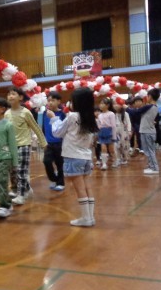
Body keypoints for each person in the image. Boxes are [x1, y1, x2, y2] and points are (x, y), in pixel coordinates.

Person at [51, 88, 98, 226]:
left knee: (80, 189)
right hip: (86, 156)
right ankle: (90, 217)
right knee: (87, 187)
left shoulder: (72, 116)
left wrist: (53, 118)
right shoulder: (90, 117)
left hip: (73, 155)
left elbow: (57, 133)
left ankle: (86, 218)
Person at [5, 88, 47, 205]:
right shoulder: (7, 114)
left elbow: (36, 127)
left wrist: (43, 143)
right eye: (9, 94)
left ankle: (21, 195)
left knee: (21, 171)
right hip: (11, 146)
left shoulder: (26, 112)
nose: (10, 96)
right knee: (13, 171)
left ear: (20, 97)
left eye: (13, 94)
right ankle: (26, 188)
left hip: (24, 144)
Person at [132, 88, 161, 175]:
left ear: (150, 97)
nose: (146, 98)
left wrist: (126, 108)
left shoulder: (149, 106)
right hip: (147, 130)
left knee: (149, 150)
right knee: (148, 150)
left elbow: (136, 112)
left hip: (147, 131)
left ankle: (155, 168)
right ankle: (151, 166)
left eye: (147, 96)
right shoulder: (155, 107)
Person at [42, 92, 66, 191]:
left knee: (60, 163)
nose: (50, 102)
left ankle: (60, 182)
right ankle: (54, 179)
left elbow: (63, 129)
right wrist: (43, 140)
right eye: (48, 100)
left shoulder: (63, 114)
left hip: (59, 143)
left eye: (53, 100)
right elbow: (43, 127)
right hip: (48, 143)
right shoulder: (45, 113)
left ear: (59, 101)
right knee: (46, 161)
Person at [96, 98, 117, 170]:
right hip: (102, 132)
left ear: (107, 105)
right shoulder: (100, 115)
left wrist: (114, 136)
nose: (100, 105)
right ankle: (104, 164)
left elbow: (113, 125)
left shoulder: (111, 114)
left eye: (102, 104)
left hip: (109, 132)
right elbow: (99, 125)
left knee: (111, 149)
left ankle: (115, 160)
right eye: (100, 103)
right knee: (103, 148)